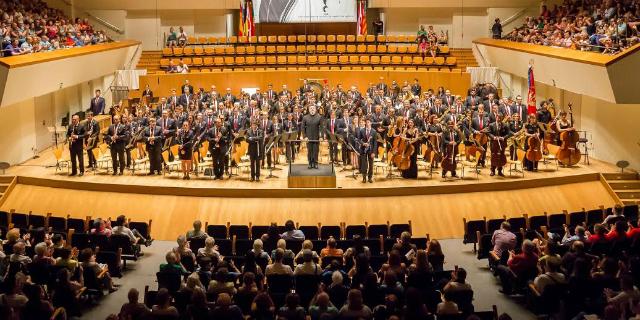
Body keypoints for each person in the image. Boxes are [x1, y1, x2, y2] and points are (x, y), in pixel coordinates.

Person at [302, 105, 323, 169]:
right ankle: (310, 163)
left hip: (316, 137)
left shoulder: (319, 117)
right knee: (310, 150)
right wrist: (305, 136)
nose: (312, 109)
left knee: (316, 150)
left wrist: (321, 136)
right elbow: (303, 128)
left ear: (316, 109)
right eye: (311, 108)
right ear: (308, 109)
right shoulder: (305, 117)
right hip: (308, 137)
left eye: (313, 108)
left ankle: (315, 163)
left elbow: (321, 128)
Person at [358, 118, 377, 183]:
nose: (367, 124)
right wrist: (363, 143)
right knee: (364, 164)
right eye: (366, 122)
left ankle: (370, 177)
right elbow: (359, 140)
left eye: (369, 122)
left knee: (371, 164)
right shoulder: (362, 130)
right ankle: (364, 177)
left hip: (371, 151)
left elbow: (375, 143)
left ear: (371, 123)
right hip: (363, 150)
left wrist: (374, 152)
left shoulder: (374, 131)